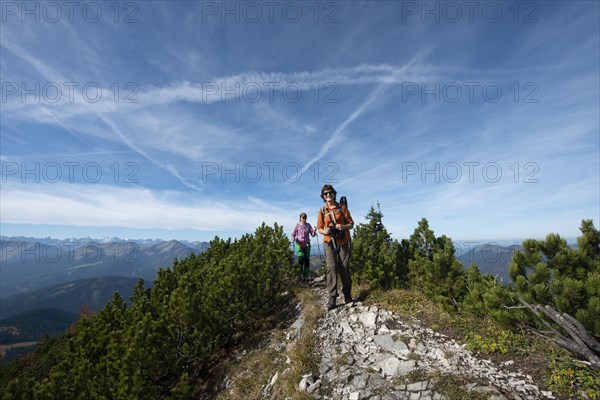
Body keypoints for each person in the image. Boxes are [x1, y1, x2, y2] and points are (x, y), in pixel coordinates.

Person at [316, 184, 354, 310]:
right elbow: (319, 228)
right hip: (329, 241)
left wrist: (343, 227)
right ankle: (332, 297)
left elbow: (351, 224)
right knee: (331, 267)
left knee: (344, 267)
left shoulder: (342, 207)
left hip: (343, 241)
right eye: (325, 194)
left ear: (334, 193)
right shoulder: (322, 211)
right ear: (323, 196)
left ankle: (347, 294)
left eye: (330, 192)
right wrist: (325, 231)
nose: (328, 195)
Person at [292, 212, 317, 281]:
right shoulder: (297, 225)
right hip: (298, 243)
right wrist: (293, 238)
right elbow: (293, 233)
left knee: (307, 260)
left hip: (307, 244)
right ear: (300, 218)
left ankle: (306, 276)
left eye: (305, 218)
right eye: (303, 218)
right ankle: (300, 274)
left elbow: (312, 234)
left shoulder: (308, 225)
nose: (304, 219)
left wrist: (314, 230)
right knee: (301, 256)